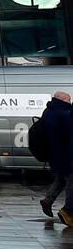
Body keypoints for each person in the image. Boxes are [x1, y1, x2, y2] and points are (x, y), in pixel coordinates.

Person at [36, 90, 73, 224]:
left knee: (61, 180)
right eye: (69, 100)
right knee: (71, 182)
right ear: (62, 100)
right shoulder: (64, 114)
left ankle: (47, 200)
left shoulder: (49, 111)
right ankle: (68, 211)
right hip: (67, 155)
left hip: (55, 155)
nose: (70, 102)